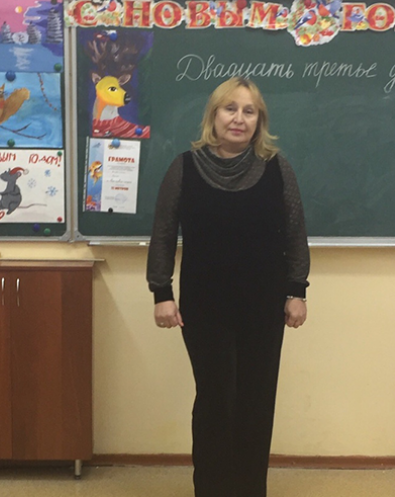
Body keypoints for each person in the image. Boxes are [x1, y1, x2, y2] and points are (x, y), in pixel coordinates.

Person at [146, 76, 311, 497]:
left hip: (263, 307)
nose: (239, 118)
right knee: (215, 400)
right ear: (214, 116)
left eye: (249, 111)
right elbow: (163, 233)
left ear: (259, 121)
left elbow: (296, 234)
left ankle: (250, 489)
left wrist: (297, 291)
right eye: (230, 108)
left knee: (256, 402)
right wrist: (161, 292)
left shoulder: (277, 168)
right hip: (205, 309)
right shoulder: (184, 168)